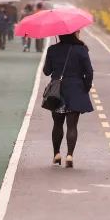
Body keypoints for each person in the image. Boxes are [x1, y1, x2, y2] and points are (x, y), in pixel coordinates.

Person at [42, 30, 94, 168]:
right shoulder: (82, 49)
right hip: (76, 90)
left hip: (57, 92)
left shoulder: (53, 49)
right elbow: (89, 72)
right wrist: (86, 87)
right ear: (73, 33)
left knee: (57, 124)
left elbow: (47, 71)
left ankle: (56, 154)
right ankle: (70, 155)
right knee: (72, 125)